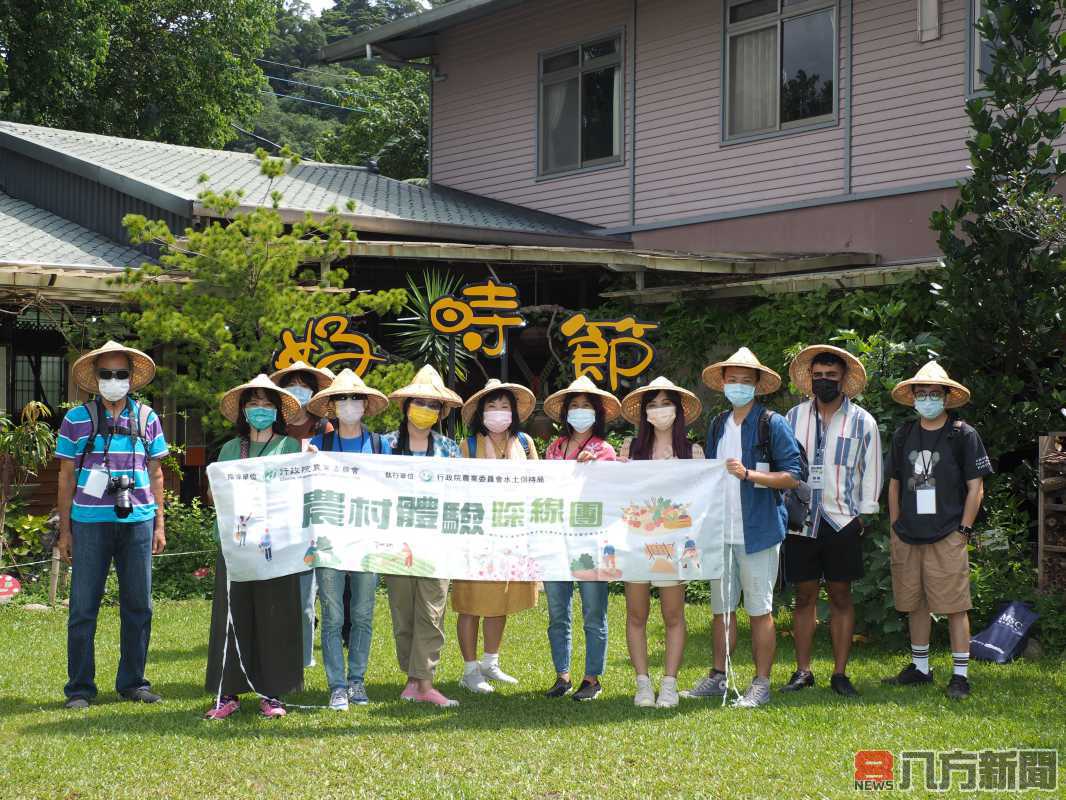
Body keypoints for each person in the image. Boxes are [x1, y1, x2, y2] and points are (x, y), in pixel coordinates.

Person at [684, 347, 802, 708]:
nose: (738, 386)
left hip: (760, 530)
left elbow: (793, 477)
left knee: (759, 611)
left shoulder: (772, 423)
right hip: (722, 530)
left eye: (745, 381)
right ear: (722, 384)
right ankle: (718, 677)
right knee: (722, 610)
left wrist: (750, 475)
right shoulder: (719, 423)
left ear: (757, 386)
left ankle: (761, 683)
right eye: (732, 380)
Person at [56, 340, 169, 710]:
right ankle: (80, 688)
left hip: (137, 522)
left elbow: (156, 473)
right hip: (89, 523)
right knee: (83, 607)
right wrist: (66, 531)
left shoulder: (147, 417)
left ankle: (134, 682)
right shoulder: (76, 419)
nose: (114, 380)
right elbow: (66, 477)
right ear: (95, 379)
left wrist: (158, 525)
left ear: (132, 380)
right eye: (107, 374)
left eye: (121, 374)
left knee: (139, 606)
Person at [882, 361, 991, 700]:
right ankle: (921, 668)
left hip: (948, 532)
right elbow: (895, 484)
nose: (927, 398)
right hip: (909, 533)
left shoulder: (962, 434)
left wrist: (964, 529)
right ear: (912, 397)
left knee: (956, 605)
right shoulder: (904, 434)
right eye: (921, 393)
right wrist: (895, 527)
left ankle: (960, 675)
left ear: (946, 396)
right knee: (916, 604)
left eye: (933, 393)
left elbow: (977, 487)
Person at [781, 345, 882, 697]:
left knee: (841, 594)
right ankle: (803, 671)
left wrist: (864, 514)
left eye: (831, 377)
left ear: (844, 381)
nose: (824, 381)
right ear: (810, 379)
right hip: (802, 518)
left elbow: (872, 469)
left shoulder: (862, 421)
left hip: (842, 518)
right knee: (804, 594)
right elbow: (783, 464)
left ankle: (840, 673)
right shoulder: (792, 418)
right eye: (818, 376)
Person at [204, 375, 304, 719]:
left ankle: (273, 694)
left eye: (266, 404)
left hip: (278, 547)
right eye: (253, 404)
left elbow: (301, 489)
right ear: (243, 411)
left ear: (276, 411)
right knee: (232, 616)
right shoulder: (231, 450)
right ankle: (227, 692)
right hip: (236, 545)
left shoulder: (290, 448)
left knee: (276, 616)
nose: (259, 410)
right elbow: (214, 494)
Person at [306, 369, 392, 711]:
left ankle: (357, 681)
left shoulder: (379, 444)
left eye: (355, 398)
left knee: (363, 613)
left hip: (367, 540)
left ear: (365, 404)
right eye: (342, 398)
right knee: (332, 616)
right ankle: (336, 685)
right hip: (329, 542)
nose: (349, 404)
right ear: (332, 406)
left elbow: (393, 487)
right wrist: (308, 462)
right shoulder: (320, 445)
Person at [618, 377, 704, 709]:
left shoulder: (692, 451)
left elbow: (700, 498)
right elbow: (616, 493)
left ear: (678, 410)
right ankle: (642, 683)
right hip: (636, 541)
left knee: (673, 614)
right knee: (636, 613)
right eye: (652, 405)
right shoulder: (631, 449)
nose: (659, 410)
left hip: (674, 545)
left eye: (665, 403)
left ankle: (669, 683)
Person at [382, 365, 463, 708]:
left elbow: (461, 493)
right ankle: (411, 680)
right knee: (403, 612)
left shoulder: (449, 448)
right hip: (394, 542)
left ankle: (425, 681)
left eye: (433, 406)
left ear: (441, 412)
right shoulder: (384, 445)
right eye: (419, 403)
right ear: (405, 406)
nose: (425, 411)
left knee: (431, 611)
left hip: (436, 542)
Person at [454, 379, 540, 694]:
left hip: (512, 534)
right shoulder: (468, 447)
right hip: (477, 536)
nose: (499, 412)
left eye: (505, 406)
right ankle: (469, 669)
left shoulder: (526, 444)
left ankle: (491, 662)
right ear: (481, 412)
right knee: (471, 602)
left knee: (500, 599)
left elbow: (539, 482)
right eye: (492, 406)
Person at [541, 375, 619, 702]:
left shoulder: (605, 450)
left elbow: (612, 493)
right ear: (565, 413)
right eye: (574, 406)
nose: (580, 412)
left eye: (587, 406)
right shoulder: (554, 448)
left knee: (593, 611)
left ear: (597, 413)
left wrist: (593, 468)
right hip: (556, 540)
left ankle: (592, 677)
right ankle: (562, 675)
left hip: (592, 541)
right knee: (558, 611)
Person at [270, 360, 334, 670]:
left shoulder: (324, 427)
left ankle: (304, 656)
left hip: (314, 517)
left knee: (307, 593)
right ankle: (279, 646)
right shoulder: (275, 428)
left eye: (304, 385)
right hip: (280, 515)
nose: (299, 391)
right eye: (292, 385)